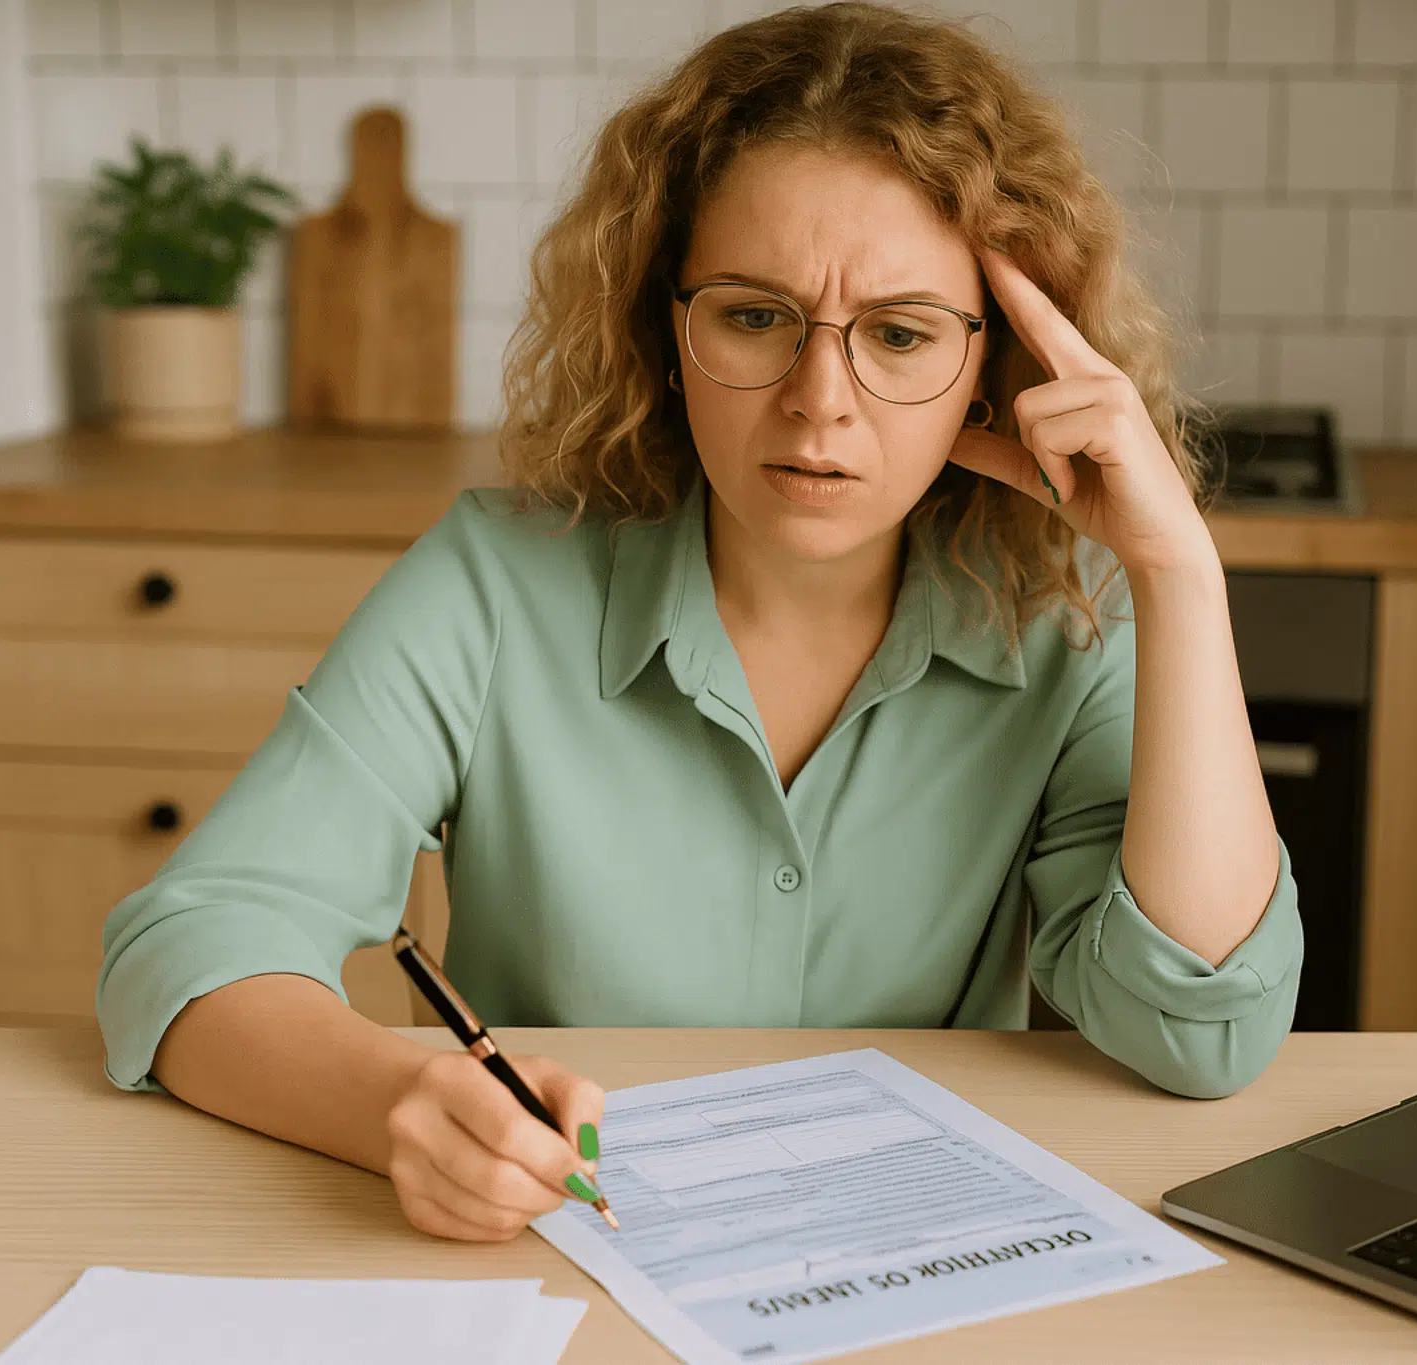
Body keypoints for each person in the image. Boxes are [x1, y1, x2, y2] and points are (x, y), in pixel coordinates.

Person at [95, 1, 1302, 1246]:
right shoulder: (496, 582)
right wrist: (402, 1099)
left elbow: (1200, 1031)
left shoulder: (1066, 610)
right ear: (663, 328)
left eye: (899, 334)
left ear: (997, 364)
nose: (818, 405)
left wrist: (1178, 571)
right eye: (753, 316)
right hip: (555, 1257)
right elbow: (190, 945)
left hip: (912, 1274)